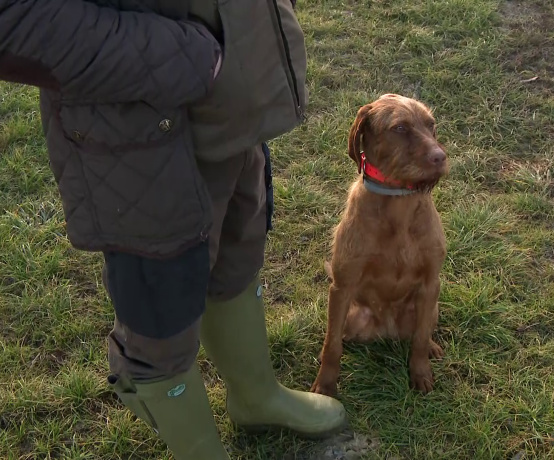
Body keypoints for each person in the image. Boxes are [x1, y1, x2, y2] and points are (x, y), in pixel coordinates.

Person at [0, 0, 347, 458]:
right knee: (160, 320)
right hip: (138, 135)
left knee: (236, 260)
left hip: (232, 110)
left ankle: (256, 397)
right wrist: (188, 58)